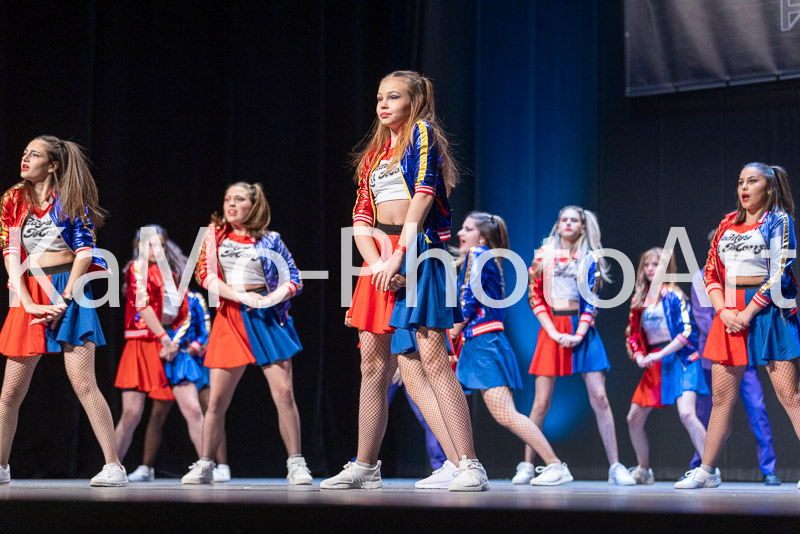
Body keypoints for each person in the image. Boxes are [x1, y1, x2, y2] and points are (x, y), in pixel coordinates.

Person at [322, 70, 489, 492]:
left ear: (414, 102)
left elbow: (424, 193)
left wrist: (400, 256)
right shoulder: (374, 155)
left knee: (432, 358)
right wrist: (379, 263)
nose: (383, 104)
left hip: (420, 250)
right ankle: (366, 465)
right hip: (380, 258)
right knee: (374, 364)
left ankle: (469, 464)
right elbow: (362, 216)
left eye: (393, 97)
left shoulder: (421, 134)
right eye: (380, 97)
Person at [0, 135, 127, 486]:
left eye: (34, 154)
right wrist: (27, 301)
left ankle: (114, 466)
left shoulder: (70, 198)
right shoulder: (14, 198)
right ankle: (1, 466)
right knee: (9, 392)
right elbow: (10, 251)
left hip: (70, 289)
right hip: (29, 290)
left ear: (53, 164)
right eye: (24, 152)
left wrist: (66, 299)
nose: (25, 158)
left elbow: (84, 252)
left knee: (84, 383)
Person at [676, 163, 800, 489]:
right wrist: (722, 311)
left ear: (768, 188)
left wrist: (748, 312)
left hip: (769, 311)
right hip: (729, 315)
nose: (744, 187)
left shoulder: (779, 221)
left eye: (752, 181)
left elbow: (780, 271)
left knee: (790, 396)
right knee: (721, 400)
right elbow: (711, 271)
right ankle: (706, 471)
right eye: (741, 181)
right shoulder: (727, 223)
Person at [181, 182, 312, 485]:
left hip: (267, 317)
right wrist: (239, 296)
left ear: (253, 205)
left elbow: (294, 279)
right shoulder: (213, 234)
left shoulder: (271, 239)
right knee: (216, 401)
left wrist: (270, 299)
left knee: (284, 393)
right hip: (230, 317)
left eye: (239, 199)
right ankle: (206, 464)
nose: (230, 204)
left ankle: (296, 463)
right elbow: (204, 275)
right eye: (227, 198)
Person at [513, 205, 636, 486]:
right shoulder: (543, 256)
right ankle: (528, 464)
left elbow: (592, 300)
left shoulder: (589, 258)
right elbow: (534, 296)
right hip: (551, 329)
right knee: (541, 402)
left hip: (583, 330)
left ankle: (616, 466)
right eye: (563, 219)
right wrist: (553, 331)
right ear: (558, 225)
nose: (568, 224)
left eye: (574, 220)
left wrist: (579, 334)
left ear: (582, 227)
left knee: (600, 398)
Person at [453, 212, 572, 486]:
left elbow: (468, 298)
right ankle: (455, 464)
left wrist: (453, 332)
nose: (460, 233)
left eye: (468, 229)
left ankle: (555, 464)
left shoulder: (478, 254)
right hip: (479, 342)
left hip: (483, 343)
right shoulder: (485, 256)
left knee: (505, 413)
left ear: (482, 237)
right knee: (452, 406)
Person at [688, 234, 781, 485]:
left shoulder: (747, 274)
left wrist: (739, 325)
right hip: (714, 353)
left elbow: (757, 308)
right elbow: (702, 317)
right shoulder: (702, 276)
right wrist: (730, 326)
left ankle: (769, 469)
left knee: (757, 409)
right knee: (706, 412)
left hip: (744, 352)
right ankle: (700, 466)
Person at [114, 226, 206, 478]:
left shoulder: (171, 276)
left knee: (193, 408)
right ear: (139, 247)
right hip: (143, 343)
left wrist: (176, 342)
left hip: (170, 347)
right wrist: (165, 339)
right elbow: (142, 306)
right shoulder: (137, 268)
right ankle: (112, 466)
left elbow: (183, 311)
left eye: (162, 245)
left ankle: (206, 464)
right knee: (131, 413)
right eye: (150, 244)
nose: (157, 249)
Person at [624, 248, 708, 484]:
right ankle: (643, 469)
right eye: (647, 265)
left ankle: (708, 468)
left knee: (687, 413)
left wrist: (660, 354)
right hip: (655, 363)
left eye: (656, 264)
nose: (651, 269)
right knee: (633, 418)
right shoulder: (639, 300)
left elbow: (687, 332)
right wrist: (638, 355)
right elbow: (632, 334)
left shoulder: (675, 296)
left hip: (681, 360)